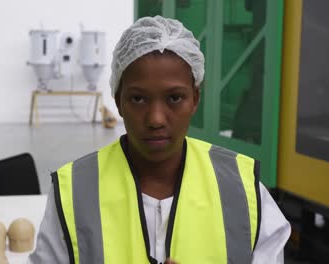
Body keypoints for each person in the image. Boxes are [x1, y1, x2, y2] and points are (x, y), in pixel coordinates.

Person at [28, 16, 290, 264]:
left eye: (174, 98)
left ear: (195, 100)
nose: (155, 119)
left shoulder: (243, 191)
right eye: (138, 99)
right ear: (118, 101)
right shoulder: (74, 191)